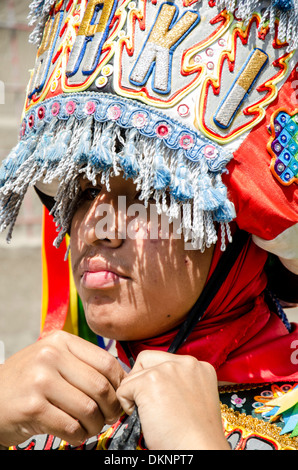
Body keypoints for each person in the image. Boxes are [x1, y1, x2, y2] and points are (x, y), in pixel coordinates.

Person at [0, 0, 297, 450]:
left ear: (235, 231)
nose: (97, 228)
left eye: (149, 193)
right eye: (80, 194)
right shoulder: (36, 417)